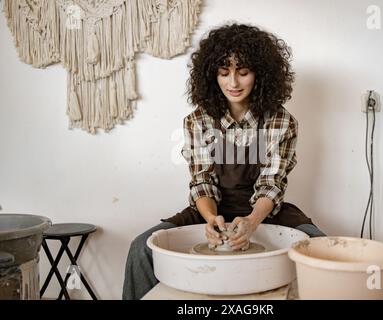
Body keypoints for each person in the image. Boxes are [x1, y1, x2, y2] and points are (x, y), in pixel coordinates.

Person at [122, 23, 326, 300]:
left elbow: (272, 183)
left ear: (261, 74)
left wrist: (253, 221)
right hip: (212, 208)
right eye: (224, 73)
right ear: (211, 75)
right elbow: (202, 181)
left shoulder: (281, 121)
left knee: (320, 247)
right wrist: (210, 219)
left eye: (243, 72)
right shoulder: (198, 121)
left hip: (265, 210)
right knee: (140, 248)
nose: (233, 83)